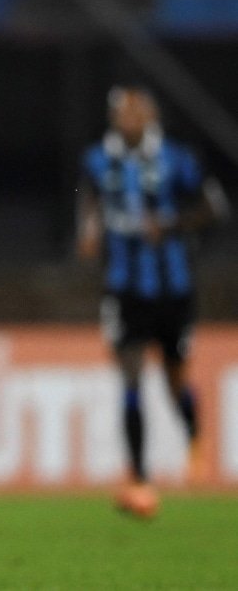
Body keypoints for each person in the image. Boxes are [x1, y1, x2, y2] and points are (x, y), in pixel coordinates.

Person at [76, 84, 227, 519]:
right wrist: (88, 231)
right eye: (121, 113)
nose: (128, 119)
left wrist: (171, 224)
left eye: (135, 112)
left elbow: (213, 206)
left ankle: (193, 434)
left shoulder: (176, 158)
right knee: (131, 376)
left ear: (151, 117)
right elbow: (89, 201)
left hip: (172, 288)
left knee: (175, 376)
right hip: (124, 288)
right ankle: (140, 479)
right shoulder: (98, 159)